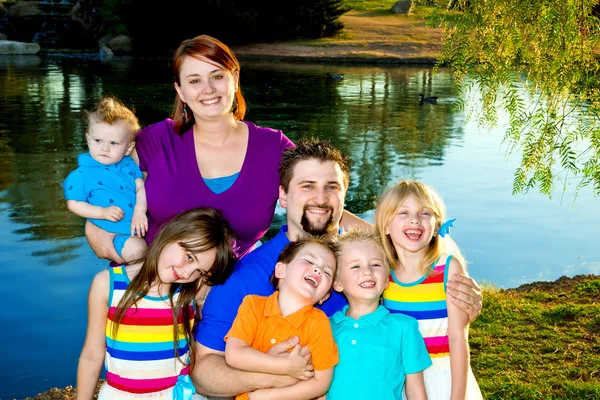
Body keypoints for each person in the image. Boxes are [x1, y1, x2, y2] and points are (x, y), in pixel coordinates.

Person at [192, 138, 483, 398]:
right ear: (283, 196)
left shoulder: (375, 264)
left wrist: (461, 302)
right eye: (307, 186)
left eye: (331, 187)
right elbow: (204, 374)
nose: (320, 198)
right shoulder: (242, 278)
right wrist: (278, 375)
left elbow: (427, 275)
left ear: (344, 198)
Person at [85, 34, 294, 263]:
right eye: (194, 81)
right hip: (152, 281)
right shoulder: (153, 142)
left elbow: (319, 198)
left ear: (234, 80)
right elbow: (99, 213)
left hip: (231, 288)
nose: (208, 89)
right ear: (181, 91)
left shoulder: (274, 148)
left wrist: (339, 226)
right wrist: (141, 266)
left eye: (217, 76)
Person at [76, 207, 237, 400]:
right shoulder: (107, 285)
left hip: (177, 395)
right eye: (190, 257)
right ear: (171, 233)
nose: (187, 273)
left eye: (199, 271)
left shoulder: (190, 294)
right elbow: (92, 355)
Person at [374, 180, 483, 399]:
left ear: (436, 227)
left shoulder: (447, 269)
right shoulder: (384, 274)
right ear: (385, 226)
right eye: (403, 212)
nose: (415, 219)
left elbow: (458, 339)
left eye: (425, 213)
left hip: (445, 377)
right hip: (404, 381)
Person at [225, 237, 339, 400]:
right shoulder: (253, 306)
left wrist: (269, 396)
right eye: (309, 261)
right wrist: (286, 366)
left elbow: (321, 383)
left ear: (325, 296)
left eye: (327, 272)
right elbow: (234, 354)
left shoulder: (319, 323)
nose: (318, 270)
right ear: (281, 270)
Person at [327, 227, 431, 399]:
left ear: (386, 280)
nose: (367, 271)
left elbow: (416, 391)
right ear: (338, 283)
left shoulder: (404, 328)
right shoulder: (325, 328)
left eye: (375, 264)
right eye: (355, 266)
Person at [63, 97, 148, 262]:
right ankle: (130, 280)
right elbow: (74, 204)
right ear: (88, 139)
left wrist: (140, 211)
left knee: (148, 252)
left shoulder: (129, 165)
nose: (105, 148)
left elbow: (140, 187)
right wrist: (102, 212)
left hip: (135, 227)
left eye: (114, 143)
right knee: (138, 252)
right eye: (98, 140)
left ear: (128, 148)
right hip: (114, 232)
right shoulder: (82, 174)